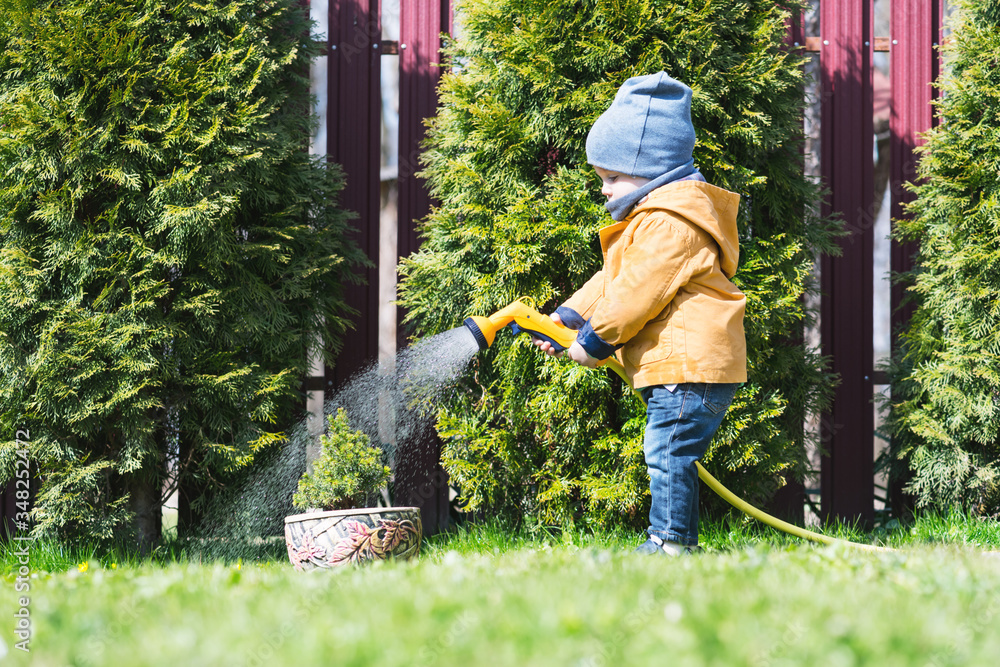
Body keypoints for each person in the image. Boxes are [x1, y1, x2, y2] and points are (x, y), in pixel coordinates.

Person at [534, 71, 747, 556]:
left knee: (668, 452)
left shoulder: (671, 223)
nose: (604, 190)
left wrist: (595, 341)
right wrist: (570, 316)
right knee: (669, 452)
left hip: (690, 368)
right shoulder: (655, 220)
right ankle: (674, 542)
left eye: (611, 177)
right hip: (684, 367)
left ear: (649, 168)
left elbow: (636, 293)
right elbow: (614, 279)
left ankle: (671, 544)